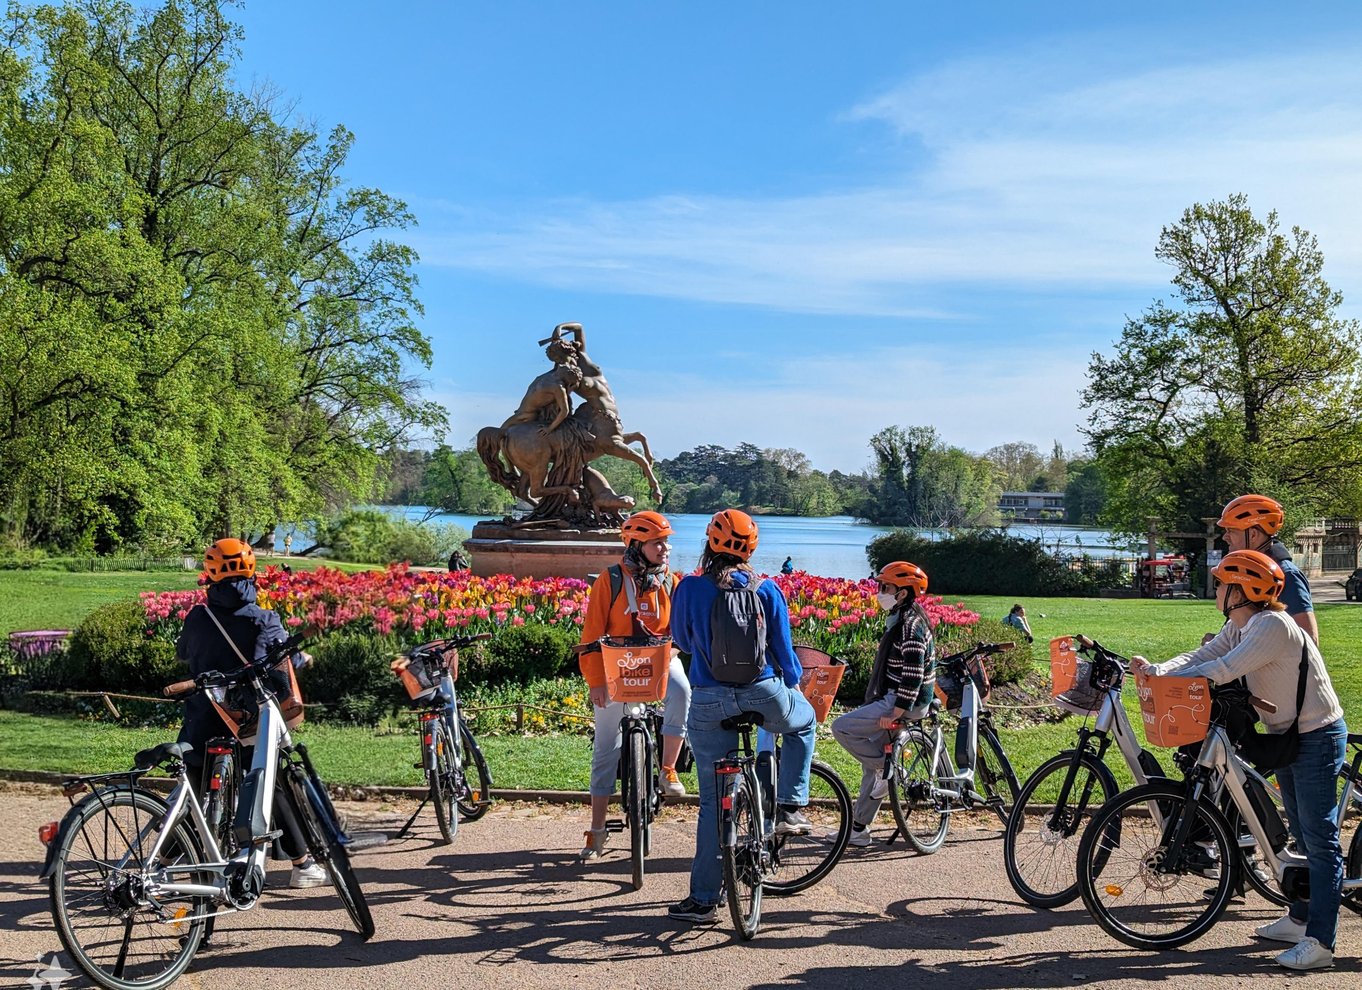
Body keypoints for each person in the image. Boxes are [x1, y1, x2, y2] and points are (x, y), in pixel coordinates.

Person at [1130, 549, 1347, 972]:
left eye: (1221, 583)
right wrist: (1157, 669)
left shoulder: (1271, 626)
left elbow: (1222, 669)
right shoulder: (1242, 624)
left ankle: (1321, 941)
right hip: (1288, 734)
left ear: (1240, 591)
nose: (1216, 590)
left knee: (1319, 839)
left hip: (1317, 735)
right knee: (1301, 835)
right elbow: (1199, 657)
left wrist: (1163, 676)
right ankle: (1300, 919)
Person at [665, 509, 817, 923]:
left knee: (713, 802)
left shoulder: (689, 588)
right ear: (751, 550)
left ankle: (703, 900)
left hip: (708, 700)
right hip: (762, 691)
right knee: (803, 723)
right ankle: (789, 805)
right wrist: (792, 684)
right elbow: (785, 654)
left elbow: (683, 642)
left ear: (709, 543)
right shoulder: (766, 589)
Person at [176, 538, 328, 888]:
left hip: (204, 718)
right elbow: (284, 659)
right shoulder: (263, 618)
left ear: (210, 573)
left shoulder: (198, 617)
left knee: (192, 791)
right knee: (270, 783)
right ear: (251, 571)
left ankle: (167, 858)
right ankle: (302, 865)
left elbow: (183, 653)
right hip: (247, 721)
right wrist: (304, 660)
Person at [575, 510, 692, 862]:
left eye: (666, 542)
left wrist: (673, 649)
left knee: (682, 691)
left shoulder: (671, 582)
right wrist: (596, 681)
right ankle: (597, 829)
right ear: (637, 545)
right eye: (658, 543)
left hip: (657, 662)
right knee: (605, 748)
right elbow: (591, 635)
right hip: (615, 667)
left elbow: (680, 632)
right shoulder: (610, 580)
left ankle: (668, 769)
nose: (665, 548)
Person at [831, 561, 936, 848]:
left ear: (902, 593)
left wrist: (896, 713)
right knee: (873, 764)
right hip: (898, 697)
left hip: (902, 701)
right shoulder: (903, 620)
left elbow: (913, 675)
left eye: (886, 587)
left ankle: (890, 771)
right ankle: (858, 829)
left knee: (842, 728)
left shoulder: (910, 627)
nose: (880, 592)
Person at [1218, 494, 1317, 644]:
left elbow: (1310, 641)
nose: (1225, 537)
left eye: (1231, 530)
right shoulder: (1248, 571)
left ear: (1253, 535)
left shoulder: (1287, 575)